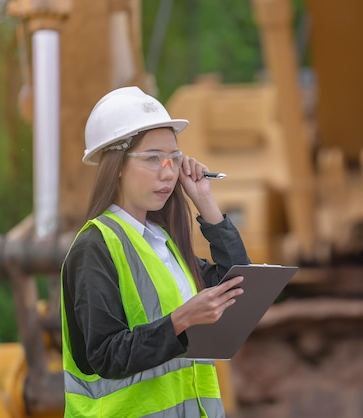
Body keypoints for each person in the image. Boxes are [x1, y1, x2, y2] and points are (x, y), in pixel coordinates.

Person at [60, 86, 250, 418]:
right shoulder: (95, 247)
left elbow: (238, 286)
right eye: (152, 159)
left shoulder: (163, 243)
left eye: (174, 159)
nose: (168, 172)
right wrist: (182, 319)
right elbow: (106, 354)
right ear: (116, 165)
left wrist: (205, 200)